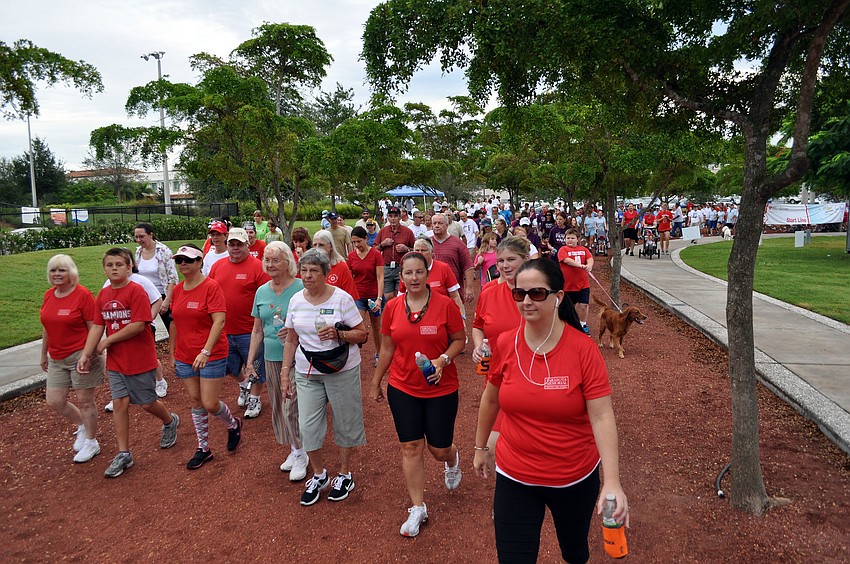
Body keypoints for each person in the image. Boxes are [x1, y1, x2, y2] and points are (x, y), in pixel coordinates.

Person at [472, 259, 629, 563]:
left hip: (572, 477)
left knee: (574, 552)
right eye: (520, 294)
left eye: (537, 293)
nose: (527, 301)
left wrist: (612, 480)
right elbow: (491, 399)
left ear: (558, 297)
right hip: (515, 474)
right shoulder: (505, 343)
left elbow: (601, 416)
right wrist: (480, 447)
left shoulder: (583, 349)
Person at [370, 252, 466, 537]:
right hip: (402, 386)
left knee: (438, 448)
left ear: (427, 274)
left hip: (441, 387)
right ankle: (418, 507)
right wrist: (377, 381)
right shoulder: (392, 307)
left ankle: (452, 459)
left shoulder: (446, 305)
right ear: (401, 277)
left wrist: (442, 360)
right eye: (408, 273)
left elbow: (459, 340)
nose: (414, 278)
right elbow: (387, 348)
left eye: (419, 272)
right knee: (411, 447)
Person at [77, 247, 179, 478]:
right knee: (120, 403)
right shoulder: (103, 295)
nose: (114, 269)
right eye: (110, 265)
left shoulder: (135, 290)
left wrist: (108, 341)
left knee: (147, 403)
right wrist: (87, 352)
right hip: (116, 361)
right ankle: (124, 453)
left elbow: (139, 324)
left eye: (119, 264)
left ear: (130, 266)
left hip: (139, 357)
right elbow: (97, 325)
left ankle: (169, 420)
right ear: (104, 268)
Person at [282, 249, 368, 506]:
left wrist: (339, 335)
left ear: (325, 274)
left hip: (342, 369)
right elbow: (290, 339)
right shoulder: (296, 300)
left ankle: (344, 473)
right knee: (307, 426)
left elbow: (362, 334)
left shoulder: (341, 299)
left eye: (313, 271)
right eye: (304, 270)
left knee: (345, 423)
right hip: (307, 371)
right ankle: (319, 474)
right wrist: (285, 374)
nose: (307, 276)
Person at [168, 244, 242, 469]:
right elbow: (174, 323)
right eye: (179, 260)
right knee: (195, 400)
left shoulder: (211, 287)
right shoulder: (178, 290)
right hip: (185, 353)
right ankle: (204, 448)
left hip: (211, 354)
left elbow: (219, 321)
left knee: (210, 403)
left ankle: (232, 424)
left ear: (200, 262)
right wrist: (172, 354)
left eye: (188, 260)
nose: (183, 264)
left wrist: (205, 351)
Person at [246, 242, 308, 480]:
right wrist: (251, 360)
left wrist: (297, 333)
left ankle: (302, 451)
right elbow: (257, 330)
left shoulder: (301, 288)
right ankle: (294, 448)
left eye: (275, 260)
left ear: (288, 262)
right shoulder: (262, 292)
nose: (270, 265)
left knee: (291, 404)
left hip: (298, 357)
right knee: (279, 406)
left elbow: (313, 321)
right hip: (271, 357)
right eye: (267, 260)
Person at [40, 254, 103, 463]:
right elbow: (47, 326)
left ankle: (92, 442)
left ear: (71, 272)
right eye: (53, 270)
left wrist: (88, 354)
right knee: (55, 401)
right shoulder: (49, 295)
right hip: (57, 356)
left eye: (62, 270)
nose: (57, 274)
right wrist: (44, 353)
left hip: (80, 354)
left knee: (85, 401)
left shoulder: (83, 295)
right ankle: (82, 426)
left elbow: (93, 326)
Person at [209, 228, 271, 419]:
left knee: (256, 366)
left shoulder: (258, 267)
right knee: (229, 367)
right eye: (232, 244)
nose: (235, 248)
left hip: (250, 330)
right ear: (227, 245)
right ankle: (244, 386)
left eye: (239, 244)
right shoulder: (218, 266)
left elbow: (268, 294)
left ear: (247, 245)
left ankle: (255, 397)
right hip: (224, 330)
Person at [398, 238, 465, 317]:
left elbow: (455, 296)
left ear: (432, 253)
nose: (420, 253)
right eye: (417, 250)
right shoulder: (408, 270)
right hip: (415, 316)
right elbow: (401, 297)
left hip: (441, 314)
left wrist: (462, 316)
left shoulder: (443, 268)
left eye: (423, 250)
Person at [348, 226, 385, 366]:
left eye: (359, 241)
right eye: (354, 242)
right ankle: (354, 355)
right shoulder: (351, 256)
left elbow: (380, 277)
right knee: (358, 326)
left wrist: (379, 298)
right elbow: (350, 277)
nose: (357, 245)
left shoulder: (375, 254)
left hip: (374, 295)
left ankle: (379, 353)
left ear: (366, 239)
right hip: (358, 296)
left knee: (376, 326)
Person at [430, 213, 475, 303]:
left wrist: (469, 288)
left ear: (446, 225)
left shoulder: (458, 243)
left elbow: (468, 266)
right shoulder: (427, 244)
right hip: (432, 292)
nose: (437, 226)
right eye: (434, 223)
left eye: (440, 223)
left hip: (454, 291)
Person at [558, 228, 594, 335]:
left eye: (572, 238)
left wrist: (589, 266)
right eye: (568, 238)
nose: (570, 240)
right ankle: (567, 325)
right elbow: (566, 260)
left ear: (577, 239)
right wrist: (580, 265)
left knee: (584, 305)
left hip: (583, 284)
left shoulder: (584, 249)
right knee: (568, 307)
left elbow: (590, 258)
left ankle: (583, 324)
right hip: (567, 286)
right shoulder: (563, 250)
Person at [377, 206, 416, 301]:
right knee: (388, 296)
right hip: (387, 267)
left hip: (402, 267)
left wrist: (406, 249)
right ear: (388, 217)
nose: (393, 218)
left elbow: (415, 250)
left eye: (395, 216)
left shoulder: (407, 232)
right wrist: (383, 244)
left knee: (401, 295)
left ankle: (402, 313)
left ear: (400, 217)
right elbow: (375, 249)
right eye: (390, 216)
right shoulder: (383, 231)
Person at [312, 230, 360, 300]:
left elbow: (350, 296)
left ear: (331, 246)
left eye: (321, 245)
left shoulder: (341, 267)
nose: (317, 249)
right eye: (315, 245)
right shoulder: (310, 267)